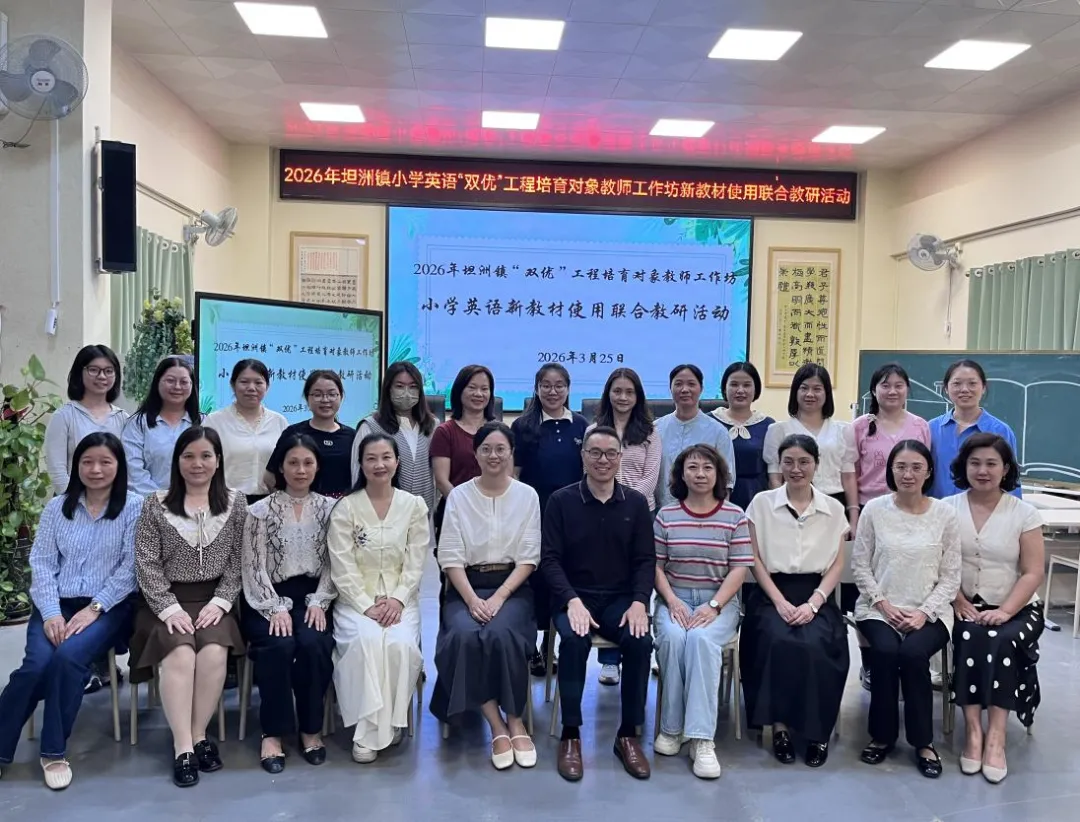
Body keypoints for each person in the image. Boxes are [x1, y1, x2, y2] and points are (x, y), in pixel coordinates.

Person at [0, 433, 140, 790]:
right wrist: (50, 613)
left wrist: (95, 608)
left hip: (108, 606)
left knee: (68, 658)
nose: (96, 469)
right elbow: (42, 563)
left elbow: (130, 569)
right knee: (35, 666)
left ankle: (53, 752)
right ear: (76, 466)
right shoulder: (57, 507)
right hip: (56, 603)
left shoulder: (134, 507)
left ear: (119, 466)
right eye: (87, 462)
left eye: (105, 462)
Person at [129, 426, 247, 788]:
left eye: (206, 456)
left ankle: (198, 736)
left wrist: (221, 601)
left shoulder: (236, 503)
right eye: (189, 456)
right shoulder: (156, 503)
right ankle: (181, 745)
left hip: (214, 600)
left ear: (218, 461)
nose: (198, 464)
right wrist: (168, 608)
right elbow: (146, 562)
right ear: (177, 461)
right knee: (180, 654)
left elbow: (239, 560)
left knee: (213, 652)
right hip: (164, 601)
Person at [541, 426, 655, 782]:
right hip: (576, 596)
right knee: (574, 641)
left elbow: (645, 561)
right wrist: (571, 601)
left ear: (620, 458)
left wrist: (639, 602)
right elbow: (550, 560)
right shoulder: (561, 501)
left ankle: (628, 734)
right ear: (583, 457)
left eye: (610, 453)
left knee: (640, 641)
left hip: (620, 598)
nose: (602, 460)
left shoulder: (635, 503)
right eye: (595, 452)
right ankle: (571, 734)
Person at [432, 422, 541, 770]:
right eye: (486, 449)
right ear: (475, 454)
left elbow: (529, 557)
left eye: (501, 449)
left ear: (511, 453)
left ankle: (516, 719)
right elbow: (450, 556)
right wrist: (472, 600)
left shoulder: (527, 496)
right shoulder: (459, 496)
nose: (494, 456)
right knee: (464, 636)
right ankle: (496, 724)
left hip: (513, 588)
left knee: (501, 633)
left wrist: (498, 598)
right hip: (466, 586)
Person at [852, 440, 961, 779]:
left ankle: (923, 742)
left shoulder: (945, 514)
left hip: (931, 611)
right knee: (885, 651)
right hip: (877, 608)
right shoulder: (874, 509)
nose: (908, 474)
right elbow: (860, 565)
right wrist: (883, 604)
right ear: (891, 470)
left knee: (913, 655)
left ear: (929, 472)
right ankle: (882, 736)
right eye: (900, 467)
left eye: (916, 467)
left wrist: (924, 613)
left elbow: (951, 576)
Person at [740, 434, 849, 768]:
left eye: (804, 462)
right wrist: (779, 602)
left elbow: (837, 564)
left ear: (816, 464)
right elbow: (754, 560)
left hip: (817, 593)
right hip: (771, 592)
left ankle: (817, 732)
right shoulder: (761, 504)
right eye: (788, 462)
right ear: (779, 465)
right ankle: (781, 727)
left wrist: (814, 603)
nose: (796, 469)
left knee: (818, 644)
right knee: (777, 639)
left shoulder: (834, 509)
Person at [944, 433, 1045, 784]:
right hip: (961, 604)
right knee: (969, 636)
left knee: (1002, 639)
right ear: (963, 467)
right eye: (975, 463)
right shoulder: (946, 509)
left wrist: (1005, 611)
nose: (982, 470)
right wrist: (957, 599)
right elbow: (937, 564)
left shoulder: (1024, 513)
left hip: (1017, 606)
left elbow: (1033, 572)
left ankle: (997, 737)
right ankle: (974, 732)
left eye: (991, 463)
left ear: (1005, 469)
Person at [328, 434, 429, 764]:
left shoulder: (414, 506)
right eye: (371, 458)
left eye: (386, 457)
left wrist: (398, 600)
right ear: (361, 463)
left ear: (397, 462)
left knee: (400, 645)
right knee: (366, 642)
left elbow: (416, 563)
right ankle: (371, 730)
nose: (379, 464)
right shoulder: (346, 508)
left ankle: (386, 724)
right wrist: (366, 605)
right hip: (356, 601)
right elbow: (342, 566)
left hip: (401, 600)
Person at [653, 444, 752, 780]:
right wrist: (672, 601)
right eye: (692, 467)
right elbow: (656, 567)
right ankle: (671, 729)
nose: (700, 474)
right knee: (672, 637)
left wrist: (713, 606)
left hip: (719, 600)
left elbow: (739, 570)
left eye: (707, 468)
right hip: (675, 597)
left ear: (718, 475)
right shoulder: (666, 515)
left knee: (700, 639)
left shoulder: (735, 515)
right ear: (681, 474)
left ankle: (701, 739)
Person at [241, 434, 336, 774]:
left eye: (308, 463)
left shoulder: (331, 509)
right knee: (278, 645)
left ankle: (310, 728)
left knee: (314, 644)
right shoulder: (259, 511)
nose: (300, 470)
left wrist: (321, 600)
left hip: (315, 596)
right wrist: (274, 606)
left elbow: (335, 563)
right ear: (280, 467)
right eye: (293, 462)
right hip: (265, 597)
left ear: (317, 467)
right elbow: (252, 566)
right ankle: (273, 732)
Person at [851, 362, 931, 692]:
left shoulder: (920, 426)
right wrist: (854, 514)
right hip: (871, 515)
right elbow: (850, 473)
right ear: (874, 390)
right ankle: (872, 661)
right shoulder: (860, 426)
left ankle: (908, 657)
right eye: (885, 385)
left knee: (908, 583)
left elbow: (927, 470)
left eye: (899, 385)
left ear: (907, 389)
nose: (892, 391)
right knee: (868, 589)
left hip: (912, 514)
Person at [511, 363, 586, 678]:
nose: (552, 392)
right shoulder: (522, 426)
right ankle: (530, 646)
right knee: (533, 580)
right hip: (532, 516)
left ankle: (550, 647)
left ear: (568, 389)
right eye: (546, 385)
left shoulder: (581, 426)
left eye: (559, 385)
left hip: (570, 520)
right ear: (537, 388)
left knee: (562, 580)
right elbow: (514, 475)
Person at [590, 367, 664, 686]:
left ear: (638, 397)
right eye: (617, 391)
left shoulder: (650, 432)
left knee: (637, 579)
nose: (622, 397)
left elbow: (652, 476)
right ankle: (609, 661)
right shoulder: (595, 429)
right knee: (608, 581)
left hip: (640, 513)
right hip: (601, 514)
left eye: (629, 392)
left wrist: (627, 501)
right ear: (608, 393)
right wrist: (610, 501)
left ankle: (637, 644)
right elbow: (591, 470)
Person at [763, 364, 858, 534]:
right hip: (793, 504)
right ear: (795, 392)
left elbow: (849, 476)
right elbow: (775, 478)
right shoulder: (778, 430)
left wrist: (853, 517)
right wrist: (782, 510)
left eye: (817, 389)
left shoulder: (843, 430)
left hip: (835, 503)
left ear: (827, 393)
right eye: (804, 388)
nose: (810, 394)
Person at [351, 361, 437, 511]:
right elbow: (357, 474)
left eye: (413, 387)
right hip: (380, 513)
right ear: (388, 389)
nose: (406, 393)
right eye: (399, 386)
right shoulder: (370, 426)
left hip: (424, 512)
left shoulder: (432, 426)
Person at [929, 360, 1021, 500]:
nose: (964, 389)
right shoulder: (931, 428)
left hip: (984, 510)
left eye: (972, 383)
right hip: (937, 509)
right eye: (957, 383)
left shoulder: (1000, 431)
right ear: (946, 388)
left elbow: (1011, 480)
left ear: (983, 387)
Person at [44, 344, 128, 495]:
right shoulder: (64, 416)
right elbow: (57, 472)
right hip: (72, 501)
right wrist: (78, 501)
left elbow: (128, 468)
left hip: (115, 503)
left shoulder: (123, 418)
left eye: (109, 371)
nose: (102, 376)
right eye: (94, 370)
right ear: (79, 372)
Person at [204, 359, 287, 506]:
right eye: (244, 382)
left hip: (270, 503)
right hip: (226, 503)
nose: (251, 388)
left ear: (267, 386)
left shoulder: (279, 422)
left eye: (258, 382)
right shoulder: (214, 421)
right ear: (233, 384)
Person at [655, 364, 736, 511]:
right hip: (660, 512)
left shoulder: (718, 431)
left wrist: (719, 516)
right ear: (670, 388)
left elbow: (726, 481)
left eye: (691, 384)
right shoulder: (655, 429)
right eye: (678, 384)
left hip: (705, 514)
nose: (685, 389)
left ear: (701, 389)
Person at [267, 370, 356, 498]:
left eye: (332, 394)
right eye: (317, 394)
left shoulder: (352, 436)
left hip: (343, 506)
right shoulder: (293, 433)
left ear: (341, 397)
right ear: (307, 398)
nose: (325, 400)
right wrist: (288, 502)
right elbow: (269, 476)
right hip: (302, 505)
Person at [431, 364, 496, 539]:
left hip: (493, 514)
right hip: (455, 514)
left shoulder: (499, 431)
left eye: (484, 389)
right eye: (472, 388)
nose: (478, 394)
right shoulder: (445, 431)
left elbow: (507, 475)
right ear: (459, 391)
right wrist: (467, 508)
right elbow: (442, 481)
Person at [122, 356, 200, 497]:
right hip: (148, 503)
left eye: (184, 382)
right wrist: (161, 501)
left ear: (192, 385)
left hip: (197, 503)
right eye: (170, 380)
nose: (177, 387)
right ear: (157, 382)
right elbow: (134, 473)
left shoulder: (204, 422)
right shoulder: (137, 423)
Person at [711, 361, 774, 511]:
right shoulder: (709, 422)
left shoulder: (769, 425)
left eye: (746, 385)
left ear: (756, 389)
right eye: (734, 385)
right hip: (714, 496)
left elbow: (774, 473)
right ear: (724, 388)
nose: (740, 390)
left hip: (757, 499)